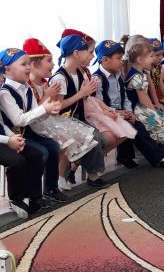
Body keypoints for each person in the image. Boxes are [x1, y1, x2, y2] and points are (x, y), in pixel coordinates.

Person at [23, 38, 100, 201]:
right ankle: (54, 181)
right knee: (62, 141)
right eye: (49, 61)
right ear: (35, 65)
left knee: (73, 138)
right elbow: (32, 113)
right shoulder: (28, 86)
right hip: (31, 127)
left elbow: (52, 108)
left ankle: (58, 179)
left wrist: (51, 102)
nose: (53, 64)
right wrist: (48, 97)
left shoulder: (44, 83)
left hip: (46, 120)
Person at [94, 39, 164, 169]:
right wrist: (118, 112)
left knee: (134, 123)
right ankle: (157, 158)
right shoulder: (97, 79)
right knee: (137, 128)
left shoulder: (118, 74)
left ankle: (129, 156)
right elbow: (98, 104)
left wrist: (128, 111)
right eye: (118, 58)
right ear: (105, 60)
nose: (121, 61)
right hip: (107, 114)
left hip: (122, 111)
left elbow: (125, 98)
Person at [0, 48, 53, 217]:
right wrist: (8, 140)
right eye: (24, 64)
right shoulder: (5, 92)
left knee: (37, 154)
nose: (1, 81)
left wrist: (11, 137)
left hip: (9, 137)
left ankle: (33, 196)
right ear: (8, 70)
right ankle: (16, 198)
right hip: (4, 140)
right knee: (18, 161)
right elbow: (18, 120)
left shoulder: (26, 88)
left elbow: (0, 123)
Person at [49, 35, 107, 188]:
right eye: (88, 52)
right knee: (93, 138)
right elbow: (57, 107)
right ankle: (92, 175)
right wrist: (81, 94)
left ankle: (86, 171)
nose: (92, 56)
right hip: (59, 120)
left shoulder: (80, 73)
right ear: (76, 53)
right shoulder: (60, 78)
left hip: (75, 117)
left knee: (101, 139)